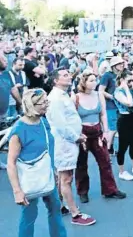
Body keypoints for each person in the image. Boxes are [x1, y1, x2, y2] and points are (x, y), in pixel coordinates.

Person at [6, 89, 68, 237]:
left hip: (47, 175)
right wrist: (17, 191)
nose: (47, 105)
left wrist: (53, 171)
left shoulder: (43, 121)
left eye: (47, 101)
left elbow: (48, 148)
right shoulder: (19, 130)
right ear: (31, 105)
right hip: (29, 178)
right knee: (29, 216)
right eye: (44, 102)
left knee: (55, 209)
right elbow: (11, 163)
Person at [47, 69, 96, 226]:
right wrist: (76, 136)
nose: (69, 77)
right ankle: (75, 214)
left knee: (63, 177)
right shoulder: (55, 99)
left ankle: (60, 206)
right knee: (66, 178)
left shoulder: (62, 95)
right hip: (64, 143)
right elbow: (60, 124)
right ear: (55, 80)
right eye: (65, 75)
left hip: (67, 141)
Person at [73, 70, 126, 203]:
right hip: (82, 133)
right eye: (91, 80)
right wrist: (77, 134)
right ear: (83, 82)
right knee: (81, 164)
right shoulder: (75, 97)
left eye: (95, 80)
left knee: (105, 161)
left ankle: (110, 189)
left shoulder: (98, 95)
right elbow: (72, 118)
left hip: (97, 132)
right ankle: (82, 191)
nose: (94, 82)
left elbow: (103, 114)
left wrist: (106, 131)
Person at [99, 56, 125, 154]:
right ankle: (107, 150)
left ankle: (111, 148)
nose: (122, 65)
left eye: (122, 63)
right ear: (113, 66)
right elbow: (101, 91)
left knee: (116, 128)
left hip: (120, 105)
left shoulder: (120, 75)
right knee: (112, 129)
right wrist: (113, 97)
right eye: (119, 63)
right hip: (110, 106)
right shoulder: (107, 75)